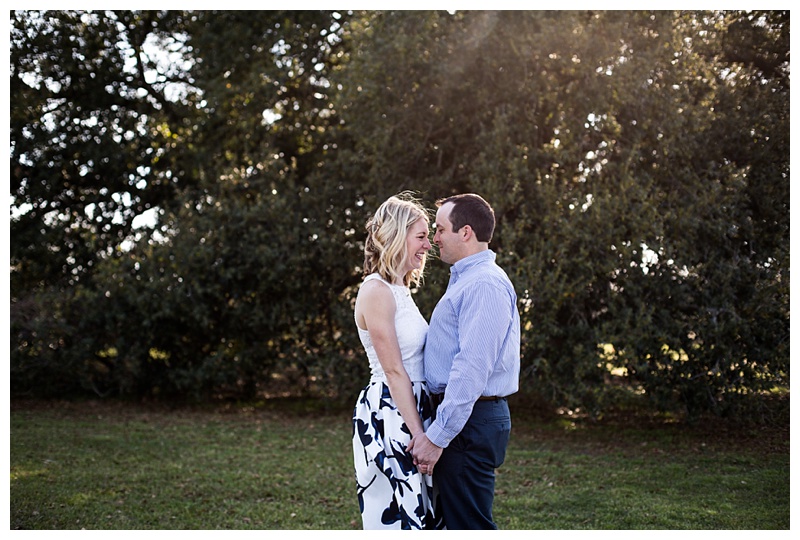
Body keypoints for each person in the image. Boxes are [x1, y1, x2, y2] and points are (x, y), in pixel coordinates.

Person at [408, 193, 521, 530]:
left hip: (468, 421)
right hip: (467, 419)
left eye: (440, 229)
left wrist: (437, 437)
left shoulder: (483, 284)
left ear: (466, 232)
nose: (434, 238)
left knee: (469, 527)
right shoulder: (467, 280)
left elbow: (471, 367)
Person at [351, 193, 443, 530]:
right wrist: (421, 436)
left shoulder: (400, 289)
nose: (427, 245)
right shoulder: (376, 291)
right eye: (420, 237)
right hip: (391, 413)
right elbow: (393, 370)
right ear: (396, 235)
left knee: (427, 516)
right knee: (399, 519)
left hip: (414, 407)